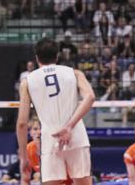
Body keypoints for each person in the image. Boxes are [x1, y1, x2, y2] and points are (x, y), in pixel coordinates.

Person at [17, 38, 95, 185]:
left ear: (37, 58)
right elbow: (90, 97)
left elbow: (22, 123)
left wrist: (23, 157)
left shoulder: (27, 82)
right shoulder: (75, 73)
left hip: (50, 138)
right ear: (57, 56)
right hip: (76, 135)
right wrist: (69, 126)